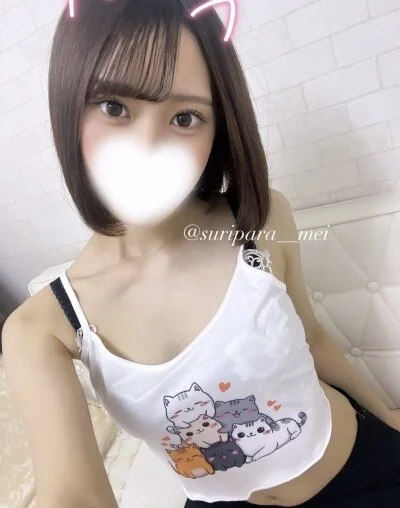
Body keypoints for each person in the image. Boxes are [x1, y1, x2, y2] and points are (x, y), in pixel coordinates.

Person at [2, 1, 400, 507]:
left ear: (217, 130)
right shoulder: (43, 328)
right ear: (69, 102)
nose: (147, 148)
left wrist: (388, 416)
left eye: (185, 117)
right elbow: (71, 494)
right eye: (114, 107)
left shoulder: (259, 222)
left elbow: (313, 336)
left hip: (364, 472)